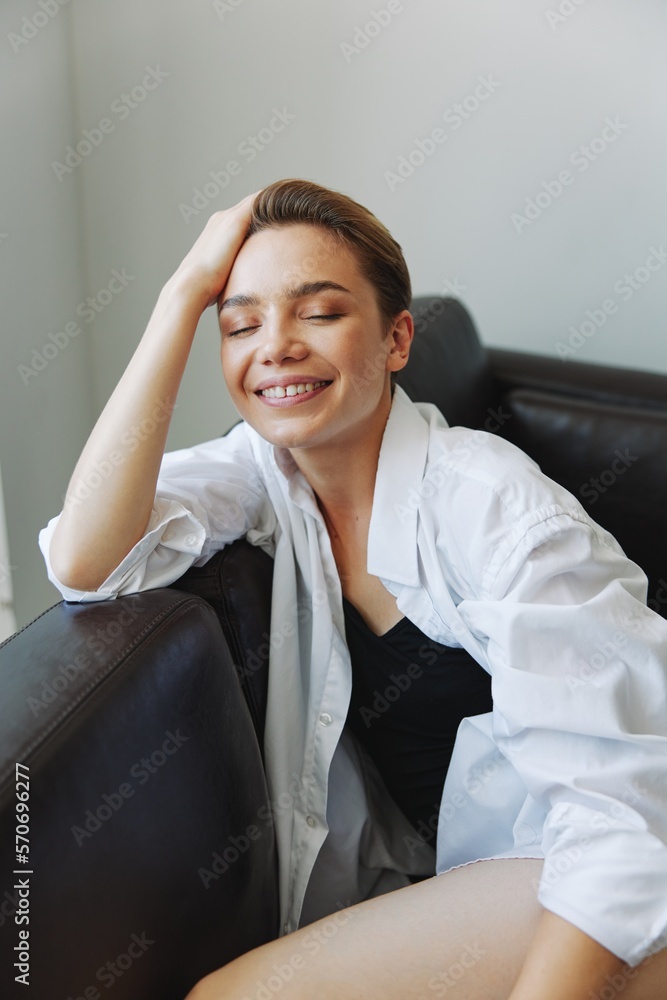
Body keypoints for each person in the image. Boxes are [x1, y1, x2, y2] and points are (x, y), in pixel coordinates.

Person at [39, 179, 667, 998]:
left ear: (396, 338)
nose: (275, 346)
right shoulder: (267, 474)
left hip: (612, 860)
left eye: (318, 312)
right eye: (240, 325)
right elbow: (86, 561)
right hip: (489, 871)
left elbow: (623, 814)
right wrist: (179, 297)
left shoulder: (496, 507)